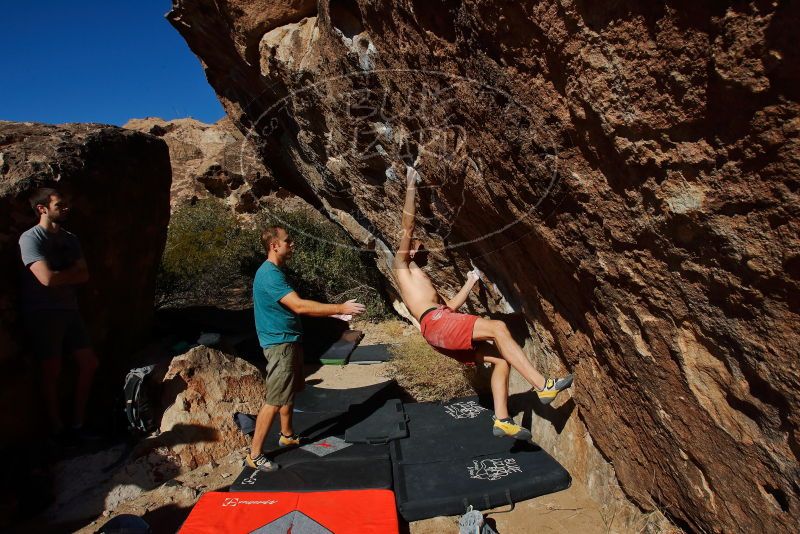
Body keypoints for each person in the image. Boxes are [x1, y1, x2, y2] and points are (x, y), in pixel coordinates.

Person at [392, 166, 573, 440]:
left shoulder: (420, 280)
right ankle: (542, 384)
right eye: (417, 244)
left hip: (438, 326)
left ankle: (502, 420)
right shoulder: (401, 267)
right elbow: (408, 224)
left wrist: (470, 280)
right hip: (436, 324)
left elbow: (449, 307)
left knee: (500, 361)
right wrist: (410, 185)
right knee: (499, 328)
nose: (420, 246)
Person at [245, 225, 366, 472]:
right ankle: (255, 454)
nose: (292, 244)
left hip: (289, 340)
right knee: (274, 399)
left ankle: (287, 434)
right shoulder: (269, 274)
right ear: (274, 245)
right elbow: (299, 306)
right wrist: (339, 308)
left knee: (290, 391)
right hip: (280, 344)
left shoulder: (275, 271)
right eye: (288, 241)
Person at [18, 187, 99, 439]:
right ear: (42, 209)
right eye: (59, 205)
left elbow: (84, 275)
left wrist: (60, 277)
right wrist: (67, 276)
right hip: (43, 312)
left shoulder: (70, 239)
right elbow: (46, 279)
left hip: (69, 309)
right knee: (52, 370)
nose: (66, 208)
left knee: (89, 363)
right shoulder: (31, 238)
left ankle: (78, 423)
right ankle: (56, 427)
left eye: (65, 204)